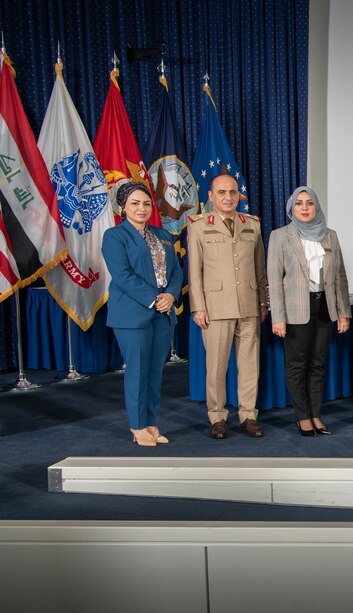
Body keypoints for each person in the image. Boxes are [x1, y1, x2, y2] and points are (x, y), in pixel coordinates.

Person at [101, 181, 183, 447]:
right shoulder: (114, 236)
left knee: (154, 372)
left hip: (163, 313)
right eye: (135, 203)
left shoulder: (163, 235)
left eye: (146, 203)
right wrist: (154, 299)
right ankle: (137, 426)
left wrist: (170, 295)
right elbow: (122, 275)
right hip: (132, 315)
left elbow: (177, 271)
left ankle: (150, 422)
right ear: (123, 207)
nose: (142, 208)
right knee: (137, 371)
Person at [188, 173, 268, 440]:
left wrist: (262, 302)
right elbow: (195, 272)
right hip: (216, 307)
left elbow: (259, 269)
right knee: (216, 367)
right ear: (210, 196)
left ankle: (248, 416)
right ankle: (218, 417)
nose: (228, 197)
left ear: (239, 196)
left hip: (248, 306)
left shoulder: (252, 225)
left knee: (249, 367)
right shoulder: (198, 227)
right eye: (221, 193)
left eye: (233, 192)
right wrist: (198, 307)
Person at [267, 186, 351, 436]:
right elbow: (274, 279)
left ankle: (316, 414)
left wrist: (344, 311)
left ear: (317, 207)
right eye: (299, 204)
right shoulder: (280, 236)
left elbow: (339, 277)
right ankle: (302, 417)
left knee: (318, 364)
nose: (304, 208)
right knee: (297, 365)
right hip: (295, 311)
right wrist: (278, 318)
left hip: (325, 308)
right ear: (292, 209)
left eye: (309, 203)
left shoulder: (330, 235)